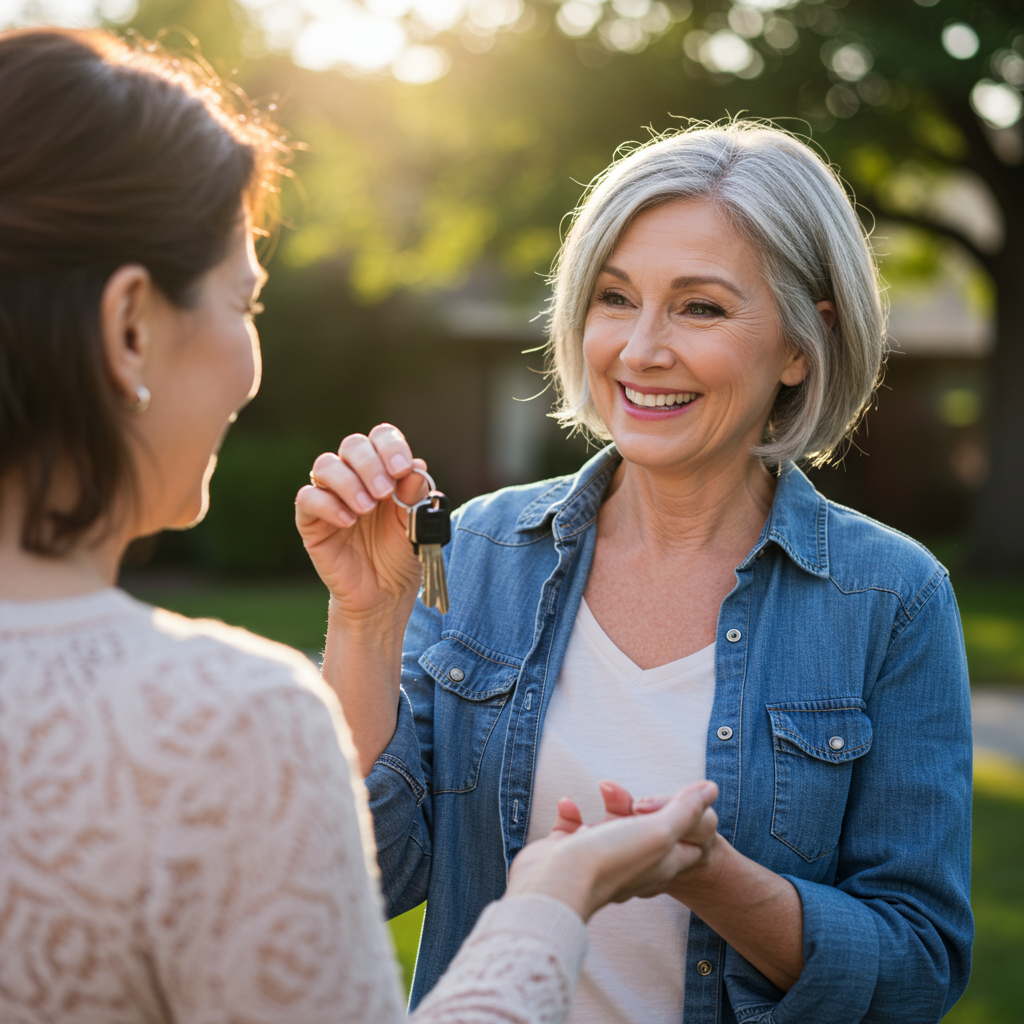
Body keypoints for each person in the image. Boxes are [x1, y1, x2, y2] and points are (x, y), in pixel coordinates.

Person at [0, 28, 722, 1023]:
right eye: (243, 302)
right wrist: (550, 903)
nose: (252, 365)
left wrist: (375, 618)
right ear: (131, 326)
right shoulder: (227, 719)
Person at [299, 123, 974, 1024]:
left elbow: (918, 968)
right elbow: (360, 880)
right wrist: (365, 619)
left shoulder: (893, 600)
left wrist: (717, 880)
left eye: (700, 308)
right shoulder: (478, 551)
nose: (641, 350)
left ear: (801, 344)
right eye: (615, 298)